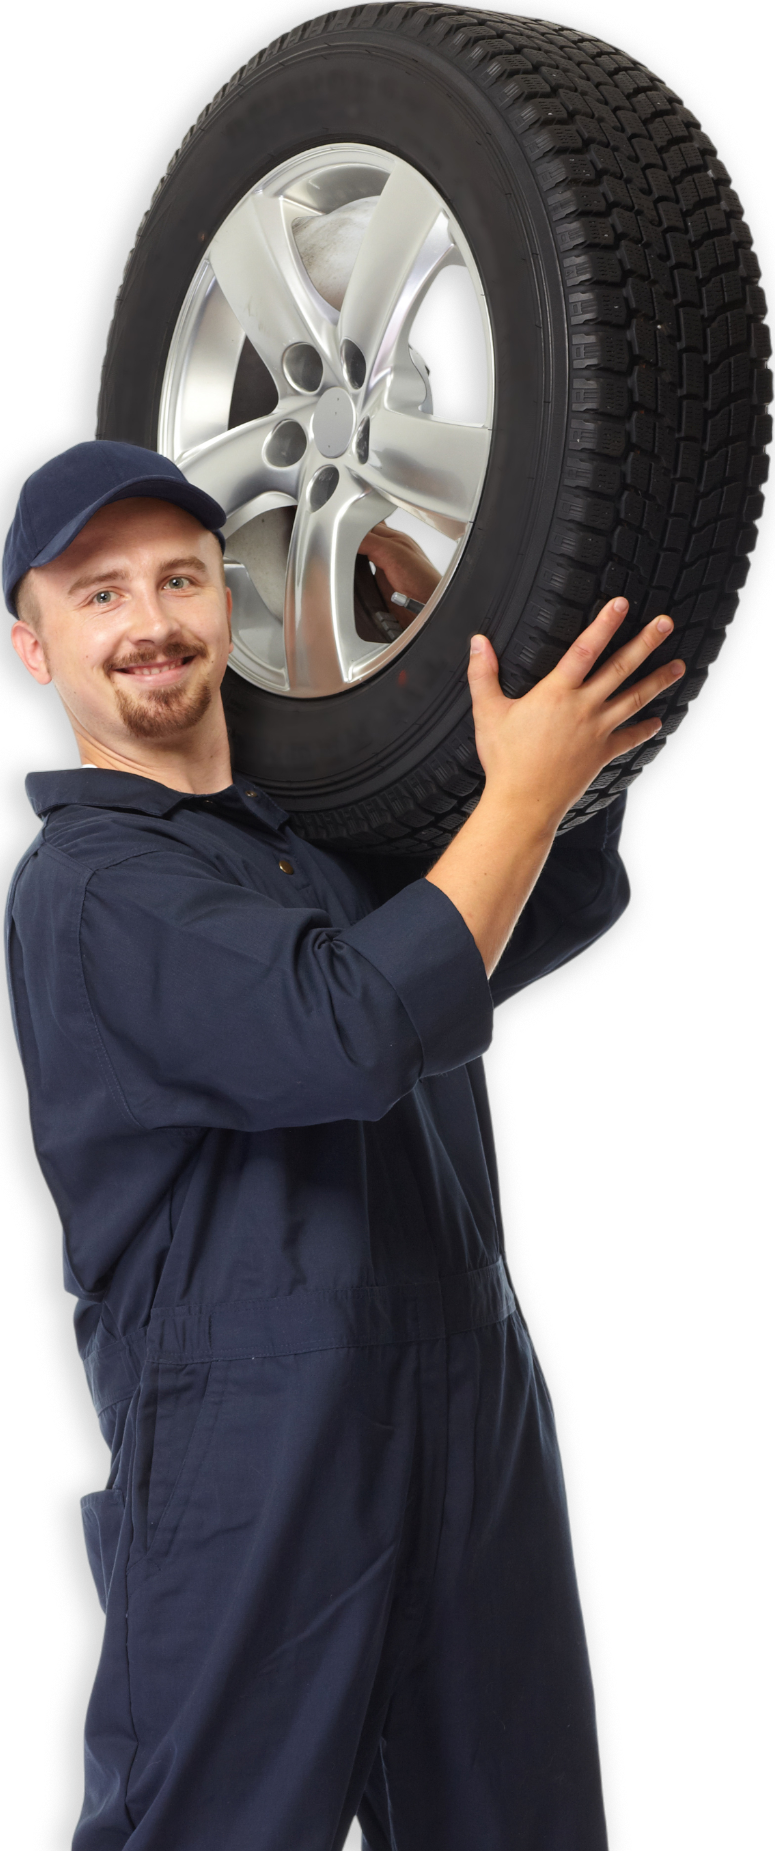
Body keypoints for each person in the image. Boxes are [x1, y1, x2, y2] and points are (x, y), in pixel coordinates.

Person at [3, 441, 684, 1851]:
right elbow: (353, 1026)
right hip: (249, 1435)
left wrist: (473, 643)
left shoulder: (316, 839)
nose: (152, 623)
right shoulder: (89, 886)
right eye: (100, 593)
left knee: (519, 1822)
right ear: (34, 644)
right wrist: (509, 798)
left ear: (228, 604)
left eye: (183, 578)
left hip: (464, 1380)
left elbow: (539, 895)